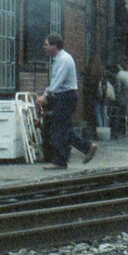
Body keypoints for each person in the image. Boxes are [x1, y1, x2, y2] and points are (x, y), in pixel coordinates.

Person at [34, 34, 97, 169]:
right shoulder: (59, 59)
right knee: (63, 128)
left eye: (46, 44)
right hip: (63, 96)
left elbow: (58, 81)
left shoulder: (64, 60)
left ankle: (61, 161)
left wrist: (45, 95)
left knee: (59, 129)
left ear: (55, 45)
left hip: (65, 96)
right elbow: (56, 81)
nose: (44, 47)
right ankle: (85, 148)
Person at [83, 53, 108, 132]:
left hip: (92, 94)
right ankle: (102, 130)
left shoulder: (90, 69)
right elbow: (104, 83)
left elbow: (87, 82)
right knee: (101, 113)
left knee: (95, 113)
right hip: (101, 95)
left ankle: (97, 130)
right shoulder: (102, 70)